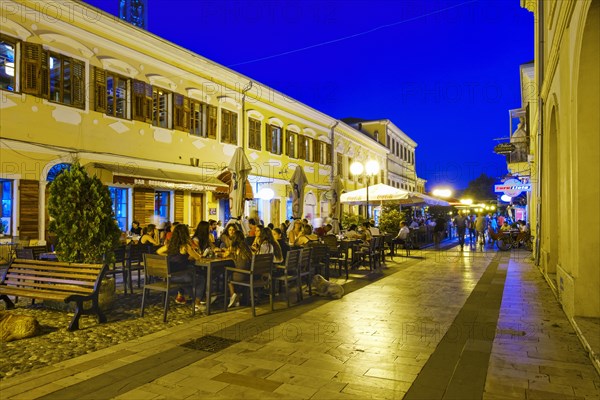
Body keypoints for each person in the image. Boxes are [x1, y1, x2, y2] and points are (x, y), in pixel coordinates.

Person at [156, 224, 206, 312]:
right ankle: (197, 303)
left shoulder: (170, 245)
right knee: (201, 279)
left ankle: (193, 298)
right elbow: (198, 257)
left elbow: (158, 251)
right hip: (179, 276)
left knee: (190, 279)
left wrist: (168, 256)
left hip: (169, 275)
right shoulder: (185, 246)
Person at [221, 230, 253, 307]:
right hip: (249, 274)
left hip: (241, 275)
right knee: (232, 273)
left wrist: (228, 253)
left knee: (227, 274)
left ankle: (233, 296)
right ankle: (237, 299)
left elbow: (225, 256)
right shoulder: (246, 248)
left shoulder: (235, 248)